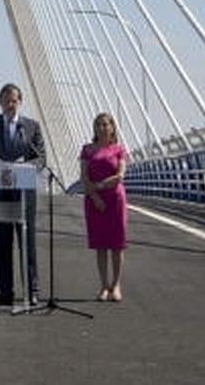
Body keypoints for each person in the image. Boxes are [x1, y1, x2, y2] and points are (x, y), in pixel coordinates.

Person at [0, 82, 46, 307]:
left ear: (20, 102)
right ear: (0, 102)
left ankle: (32, 291)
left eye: (14, 100)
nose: (10, 104)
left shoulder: (31, 127)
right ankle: (5, 292)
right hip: (0, 192)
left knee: (27, 243)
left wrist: (25, 168)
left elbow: (41, 158)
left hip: (25, 192)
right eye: (6, 100)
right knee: (2, 242)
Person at [81, 112, 129, 302]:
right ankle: (103, 286)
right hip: (94, 201)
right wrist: (94, 196)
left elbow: (120, 175)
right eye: (99, 124)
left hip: (115, 200)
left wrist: (99, 186)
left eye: (106, 124)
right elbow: (84, 177)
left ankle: (116, 285)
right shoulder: (87, 150)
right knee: (100, 246)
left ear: (112, 128)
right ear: (94, 128)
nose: (102, 127)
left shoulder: (119, 150)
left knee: (117, 245)